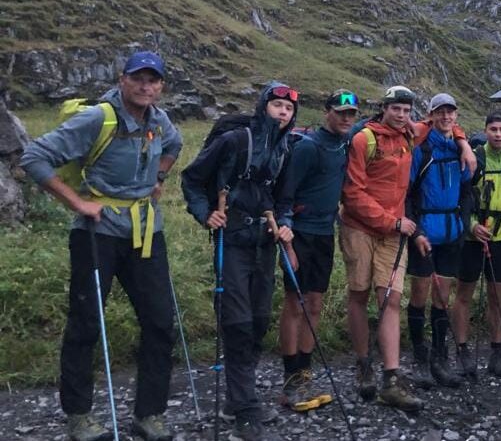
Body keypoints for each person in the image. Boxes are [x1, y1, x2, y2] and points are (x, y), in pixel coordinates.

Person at [21, 51, 182, 441]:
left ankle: (149, 415)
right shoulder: (99, 118)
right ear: (122, 80)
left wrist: (158, 178)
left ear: (161, 85)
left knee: (161, 323)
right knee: (86, 323)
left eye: (153, 80)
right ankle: (78, 414)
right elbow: (34, 156)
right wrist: (76, 203)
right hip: (97, 233)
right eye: (138, 78)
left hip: (146, 232)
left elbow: (174, 146)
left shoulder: (159, 121)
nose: (146, 86)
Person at [340, 85, 473, 411]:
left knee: (390, 299)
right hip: (361, 227)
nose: (401, 115)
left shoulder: (411, 135)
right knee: (359, 293)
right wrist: (394, 221)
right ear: (384, 108)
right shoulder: (364, 139)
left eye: (406, 110)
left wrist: (464, 143)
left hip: (394, 232)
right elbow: (352, 193)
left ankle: (391, 377)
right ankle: (363, 365)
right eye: (395, 109)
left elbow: (446, 121)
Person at [181, 82, 297, 441]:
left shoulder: (284, 148)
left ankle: (238, 396)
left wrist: (286, 224)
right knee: (238, 321)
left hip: (264, 241)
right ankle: (246, 408)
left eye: (289, 109)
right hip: (231, 240)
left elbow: (281, 198)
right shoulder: (234, 141)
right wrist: (205, 214)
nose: (283, 112)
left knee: (259, 320)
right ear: (264, 106)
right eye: (277, 105)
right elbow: (192, 179)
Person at [274, 89, 359, 409]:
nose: (346, 118)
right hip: (300, 233)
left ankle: (304, 372)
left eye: (351, 114)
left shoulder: (345, 144)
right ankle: (289, 379)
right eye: (340, 112)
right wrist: (288, 241)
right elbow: (285, 196)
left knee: (314, 304)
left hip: (325, 233)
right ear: (327, 112)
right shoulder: (309, 147)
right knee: (294, 303)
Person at [405, 93, 474, 389]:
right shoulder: (421, 150)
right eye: (440, 112)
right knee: (419, 294)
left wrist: (464, 223)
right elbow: (405, 194)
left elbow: (468, 191)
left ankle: (439, 358)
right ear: (430, 115)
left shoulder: (461, 150)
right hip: (425, 230)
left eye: (451, 112)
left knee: (442, 298)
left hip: (451, 232)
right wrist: (417, 231)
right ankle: (420, 359)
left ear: (456, 116)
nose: (446, 117)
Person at [451, 111, 501, 379]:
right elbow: (459, 197)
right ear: (485, 131)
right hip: (472, 237)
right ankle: (462, 351)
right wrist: (471, 225)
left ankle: (497, 350)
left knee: (497, 295)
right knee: (464, 294)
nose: (497, 134)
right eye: (492, 129)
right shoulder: (474, 157)